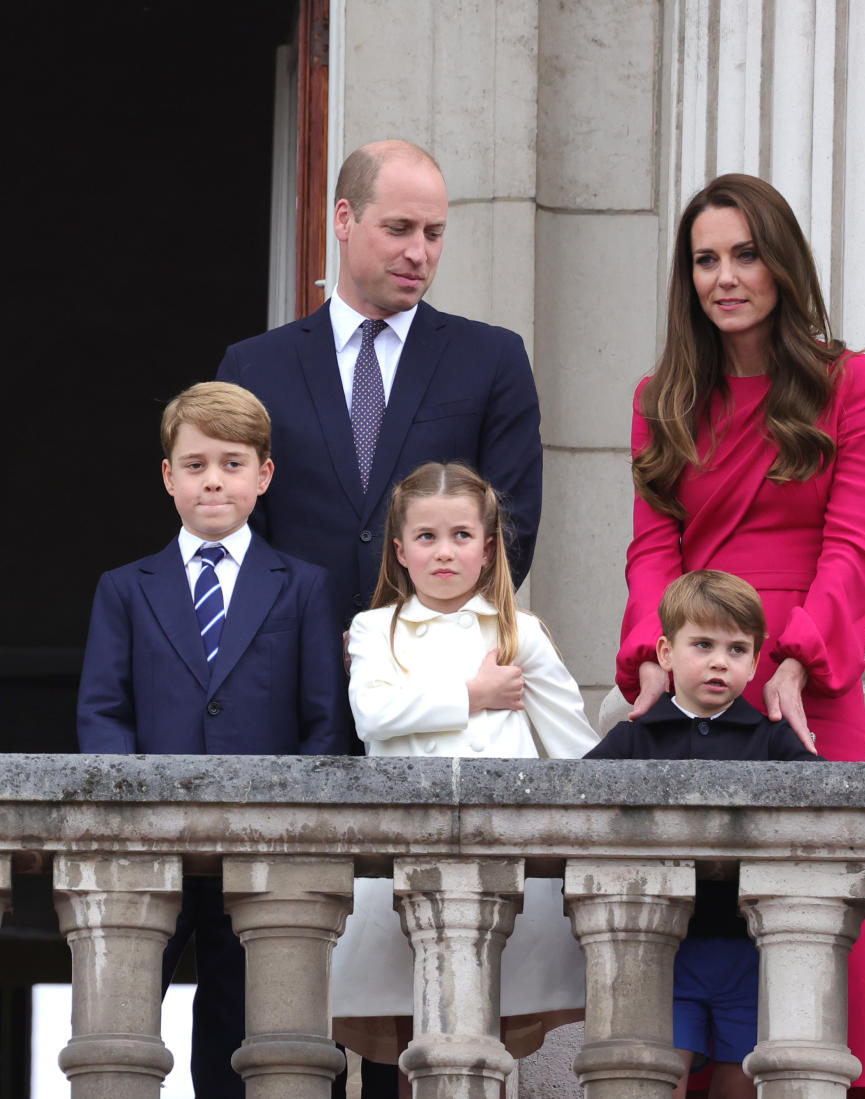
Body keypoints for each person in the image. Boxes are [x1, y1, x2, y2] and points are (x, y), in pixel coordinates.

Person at [615, 174, 865, 1098]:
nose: (725, 277)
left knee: (819, 917)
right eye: (705, 259)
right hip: (694, 671)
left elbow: (853, 541)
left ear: (782, 260)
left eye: (744, 254)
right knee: (693, 923)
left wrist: (797, 658)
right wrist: (659, 654)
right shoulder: (663, 397)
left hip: (805, 682)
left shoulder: (857, 383)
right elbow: (653, 545)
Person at [77, 381, 350, 1099]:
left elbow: (323, 721)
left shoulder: (304, 587)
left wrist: (292, 825)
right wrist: (131, 817)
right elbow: (104, 712)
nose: (213, 480)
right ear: (168, 475)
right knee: (122, 1022)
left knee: (240, 1034)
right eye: (194, 464)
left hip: (261, 851)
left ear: (264, 474)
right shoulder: (124, 588)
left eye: (232, 463)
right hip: (152, 846)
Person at [336, 461, 598, 1086]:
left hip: (502, 863)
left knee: (486, 1045)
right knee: (411, 1046)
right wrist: (474, 694)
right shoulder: (376, 631)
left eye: (460, 536)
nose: (444, 552)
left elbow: (578, 755)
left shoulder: (519, 634)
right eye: (426, 537)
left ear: (487, 549)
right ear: (399, 551)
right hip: (397, 865)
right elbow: (372, 714)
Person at [216, 139, 543, 630]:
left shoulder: (493, 359)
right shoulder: (254, 368)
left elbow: (509, 527)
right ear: (344, 219)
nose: (419, 253)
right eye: (399, 229)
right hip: (290, 674)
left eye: (434, 234)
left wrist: (426, 640)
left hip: (436, 676)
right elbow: (230, 525)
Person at [589, 571, 822, 1098]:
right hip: (661, 943)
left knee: (741, 1077)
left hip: (747, 941)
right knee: (658, 1072)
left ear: (755, 662)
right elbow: (574, 797)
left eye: (737, 648)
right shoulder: (635, 735)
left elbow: (825, 801)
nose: (720, 660)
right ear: (666, 654)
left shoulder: (769, 737)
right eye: (703, 644)